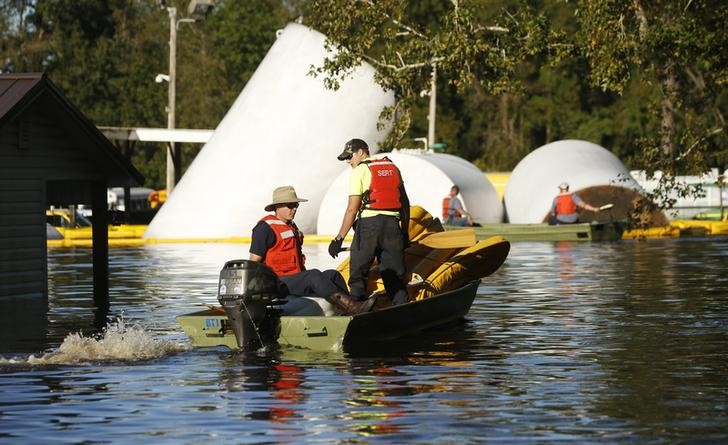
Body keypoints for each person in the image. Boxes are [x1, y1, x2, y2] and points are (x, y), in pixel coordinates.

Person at [250, 185, 373, 315]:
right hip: (278, 283)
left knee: (333, 275)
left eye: (296, 205)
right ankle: (350, 307)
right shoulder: (264, 228)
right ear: (277, 207)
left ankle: (352, 308)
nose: (294, 209)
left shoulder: (291, 227)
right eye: (290, 206)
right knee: (313, 275)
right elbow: (253, 262)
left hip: (294, 278)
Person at [328, 138, 411, 306]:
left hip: (369, 227)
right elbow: (405, 203)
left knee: (358, 272)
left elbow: (352, 209)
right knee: (394, 275)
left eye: (349, 157)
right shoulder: (393, 167)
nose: (348, 161)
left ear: (361, 152)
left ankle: (356, 307)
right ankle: (402, 308)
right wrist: (405, 231)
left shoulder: (359, 171)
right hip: (392, 225)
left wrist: (339, 239)